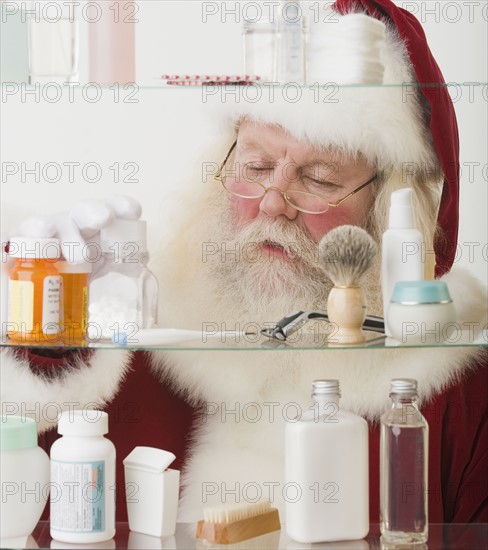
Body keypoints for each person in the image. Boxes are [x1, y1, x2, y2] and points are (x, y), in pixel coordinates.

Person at [1, 0, 487, 527]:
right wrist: (48, 344)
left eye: (320, 179)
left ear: (389, 209)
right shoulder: (144, 329)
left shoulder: (450, 384)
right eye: (254, 165)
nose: (272, 202)